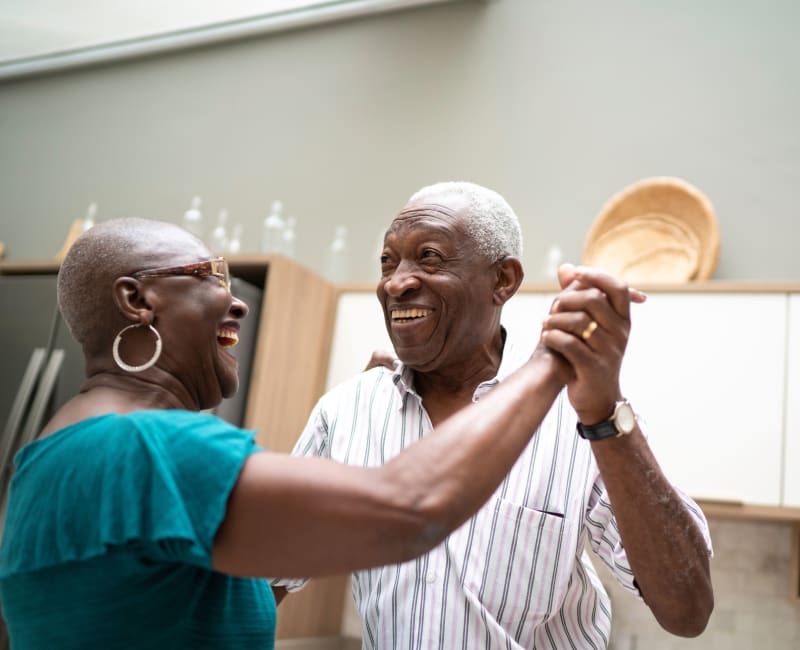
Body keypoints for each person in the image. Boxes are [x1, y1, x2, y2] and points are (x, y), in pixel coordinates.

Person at [0, 216, 597, 650]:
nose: (236, 304)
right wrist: (551, 360)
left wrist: (372, 419)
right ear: (136, 301)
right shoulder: (151, 451)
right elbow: (414, 511)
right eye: (209, 277)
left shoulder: (50, 455)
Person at [273, 181, 714, 649]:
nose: (396, 282)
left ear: (502, 280)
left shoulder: (579, 414)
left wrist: (605, 414)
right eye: (388, 261)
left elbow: (687, 610)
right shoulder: (346, 413)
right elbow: (267, 576)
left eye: (429, 258)